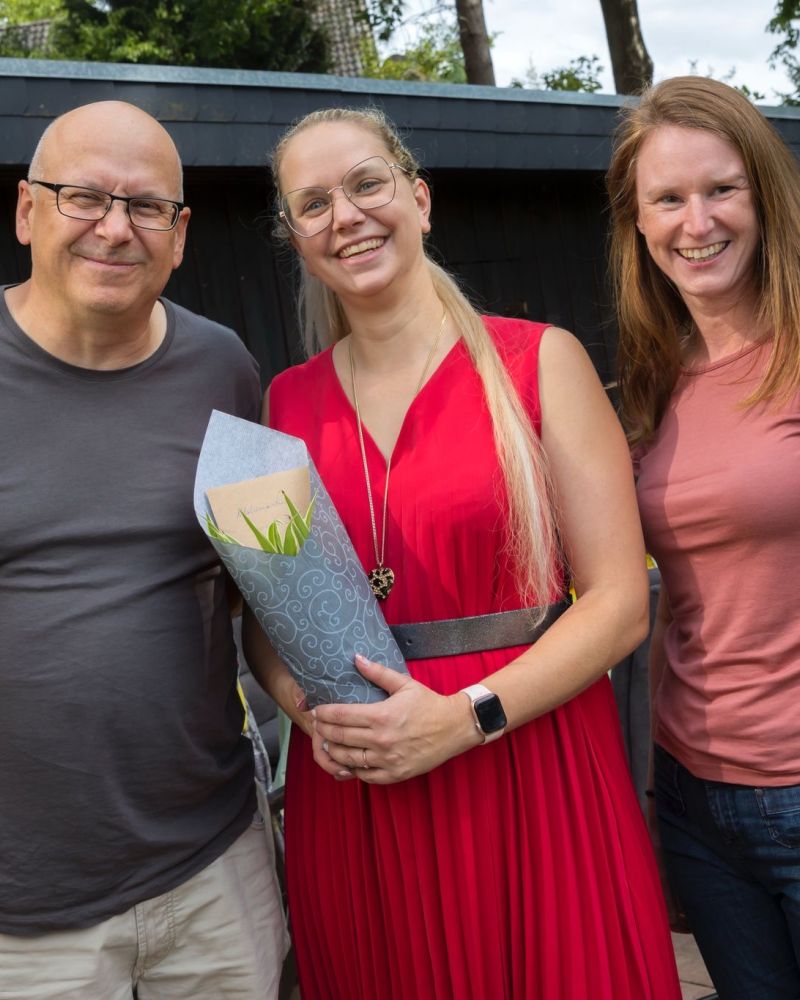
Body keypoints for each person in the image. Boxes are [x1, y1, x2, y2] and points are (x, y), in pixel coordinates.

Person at [242, 106, 681, 1000]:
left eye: (367, 184)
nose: (346, 216)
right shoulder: (284, 404)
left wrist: (464, 717)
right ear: (296, 240)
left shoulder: (539, 363)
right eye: (314, 204)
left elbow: (618, 603)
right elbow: (265, 615)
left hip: (524, 762)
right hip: (360, 790)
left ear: (420, 198)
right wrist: (312, 713)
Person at [0, 101, 287, 999]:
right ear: (27, 211)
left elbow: (261, 580)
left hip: (213, 872)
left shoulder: (223, 369)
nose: (115, 228)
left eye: (146, 206)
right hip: (23, 916)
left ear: (181, 233)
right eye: (84, 197)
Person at [606, 75, 800, 999]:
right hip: (695, 800)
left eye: (722, 189)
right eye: (668, 199)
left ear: (765, 193)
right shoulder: (654, 379)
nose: (697, 222)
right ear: (638, 222)